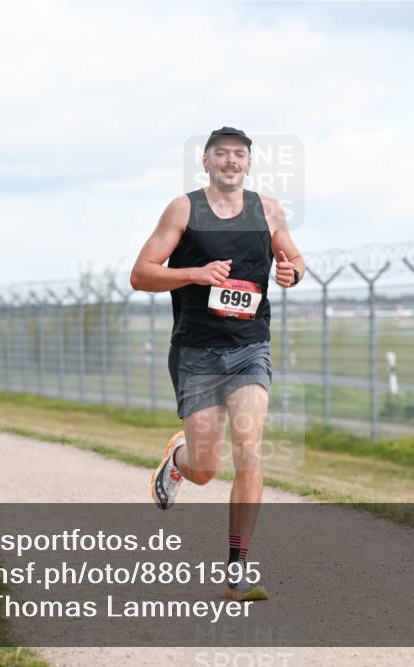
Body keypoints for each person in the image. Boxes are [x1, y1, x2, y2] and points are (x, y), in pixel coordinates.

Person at [130, 127, 305, 602]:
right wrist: (194, 274)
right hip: (197, 351)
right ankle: (180, 458)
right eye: (221, 154)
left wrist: (291, 271)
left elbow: (294, 259)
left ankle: (238, 568)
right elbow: (140, 273)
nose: (231, 162)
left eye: (239, 155)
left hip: (250, 346)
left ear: (249, 164)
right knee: (206, 469)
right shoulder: (184, 209)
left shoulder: (268, 210)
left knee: (250, 448)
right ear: (205, 162)